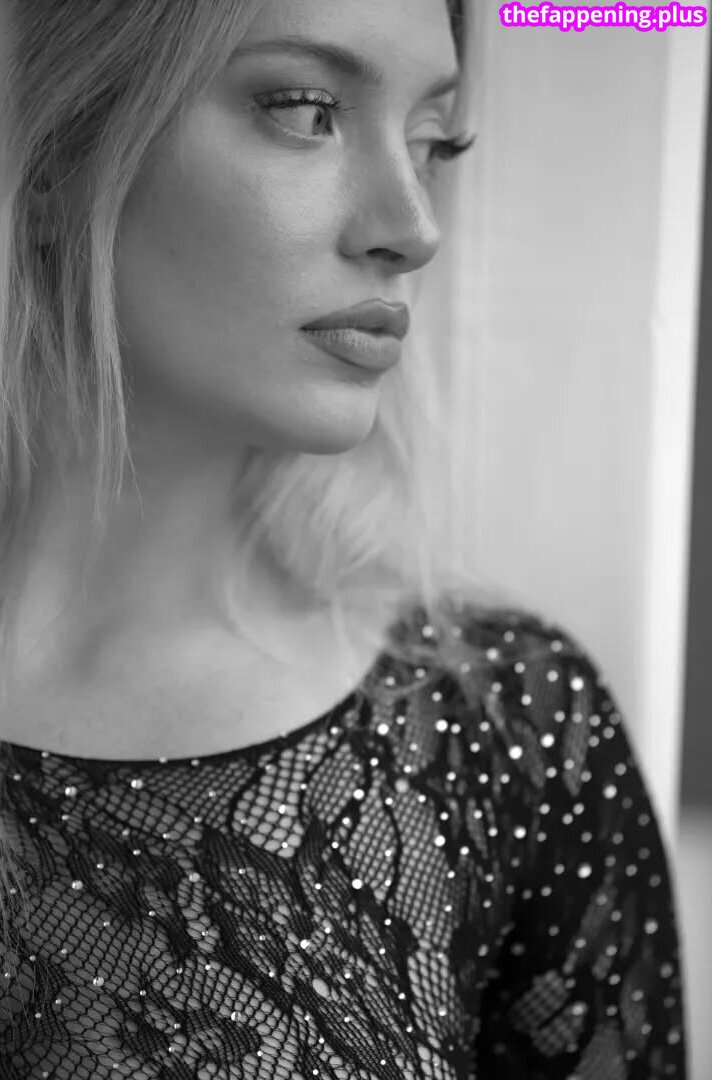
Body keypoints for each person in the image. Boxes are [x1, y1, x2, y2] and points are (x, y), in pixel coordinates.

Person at [0, 0, 686, 1076]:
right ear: (51, 158)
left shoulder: (502, 730)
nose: (413, 225)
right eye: (306, 110)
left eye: (434, 142)